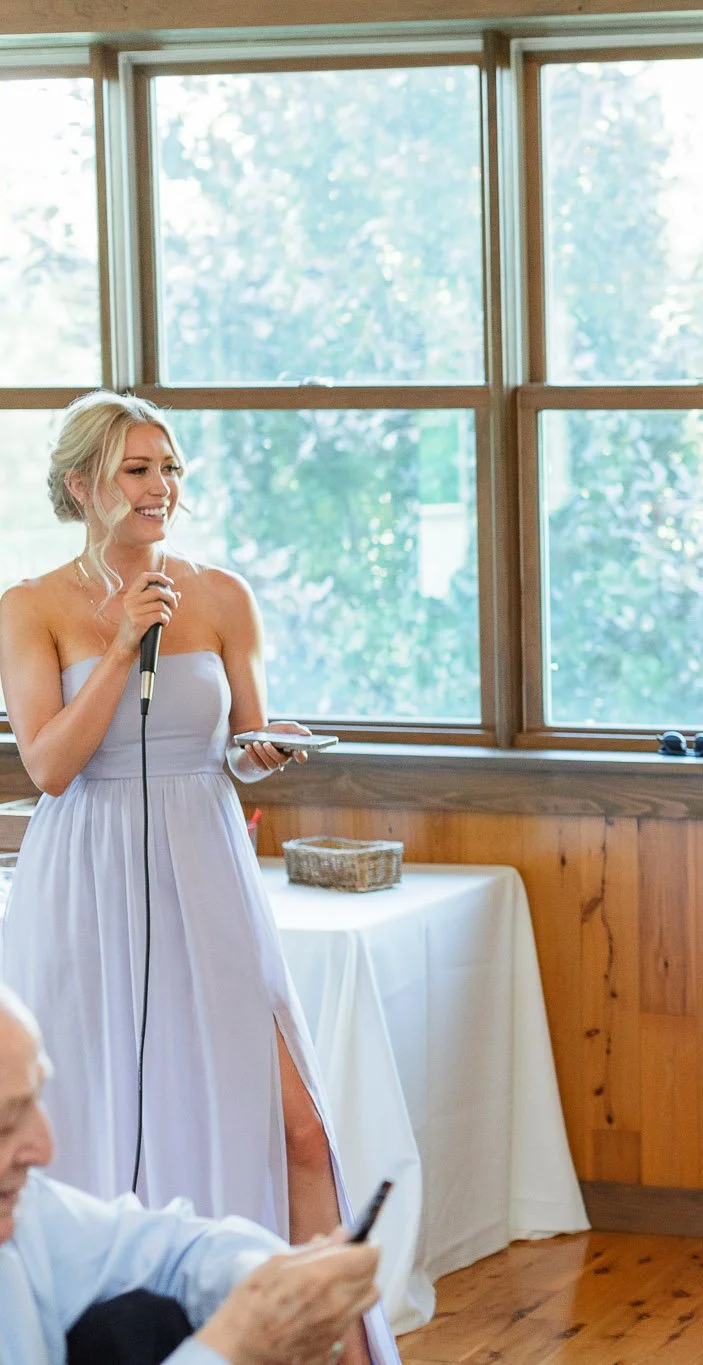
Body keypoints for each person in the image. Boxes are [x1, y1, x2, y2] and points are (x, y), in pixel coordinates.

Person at [0, 392, 396, 1362]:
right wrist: (123, 646)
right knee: (96, 1120)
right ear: (81, 484)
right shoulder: (32, 607)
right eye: (138, 470)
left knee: (295, 1124)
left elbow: (237, 742)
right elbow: (49, 768)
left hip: (206, 868)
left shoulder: (221, 595)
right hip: (85, 880)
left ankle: (324, 1332)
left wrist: (266, 751)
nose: (161, 488)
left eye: (171, 468)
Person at [0, 984, 381, 1365]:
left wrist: (276, 1289)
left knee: (140, 1322)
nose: (45, 1148)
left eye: (37, 1099)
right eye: (5, 1124)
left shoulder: (27, 1213)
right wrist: (233, 1346)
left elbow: (169, 1252)